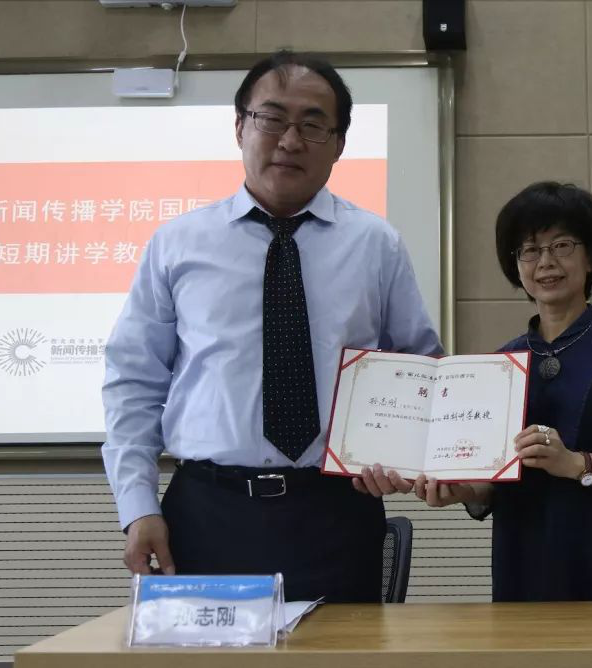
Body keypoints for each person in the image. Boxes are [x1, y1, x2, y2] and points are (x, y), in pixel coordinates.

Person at [102, 50, 440, 603]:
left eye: (313, 124)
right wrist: (138, 508)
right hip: (207, 512)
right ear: (240, 127)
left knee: (343, 649)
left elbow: (420, 367)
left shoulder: (376, 245)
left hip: (336, 512)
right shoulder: (178, 244)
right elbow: (133, 383)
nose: (289, 140)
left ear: (339, 144)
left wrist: (406, 454)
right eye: (272, 118)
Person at [414, 182, 592, 601]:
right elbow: (498, 479)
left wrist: (573, 462)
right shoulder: (501, 364)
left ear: (591, 256)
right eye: (530, 250)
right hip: (525, 564)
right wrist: (465, 489)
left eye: (562, 246)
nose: (546, 262)